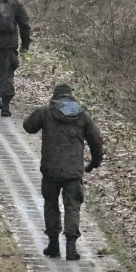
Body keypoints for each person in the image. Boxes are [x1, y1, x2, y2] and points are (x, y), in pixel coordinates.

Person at [23, 83, 104, 261]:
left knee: (51, 205)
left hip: (50, 170)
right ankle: (71, 247)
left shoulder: (46, 112)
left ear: (55, 97)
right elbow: (96, 142)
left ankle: (53, 244)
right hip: (73, 171)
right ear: (71, 96)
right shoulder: (82, 115)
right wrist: (94, 163)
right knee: (72, 207)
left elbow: (28, 127)